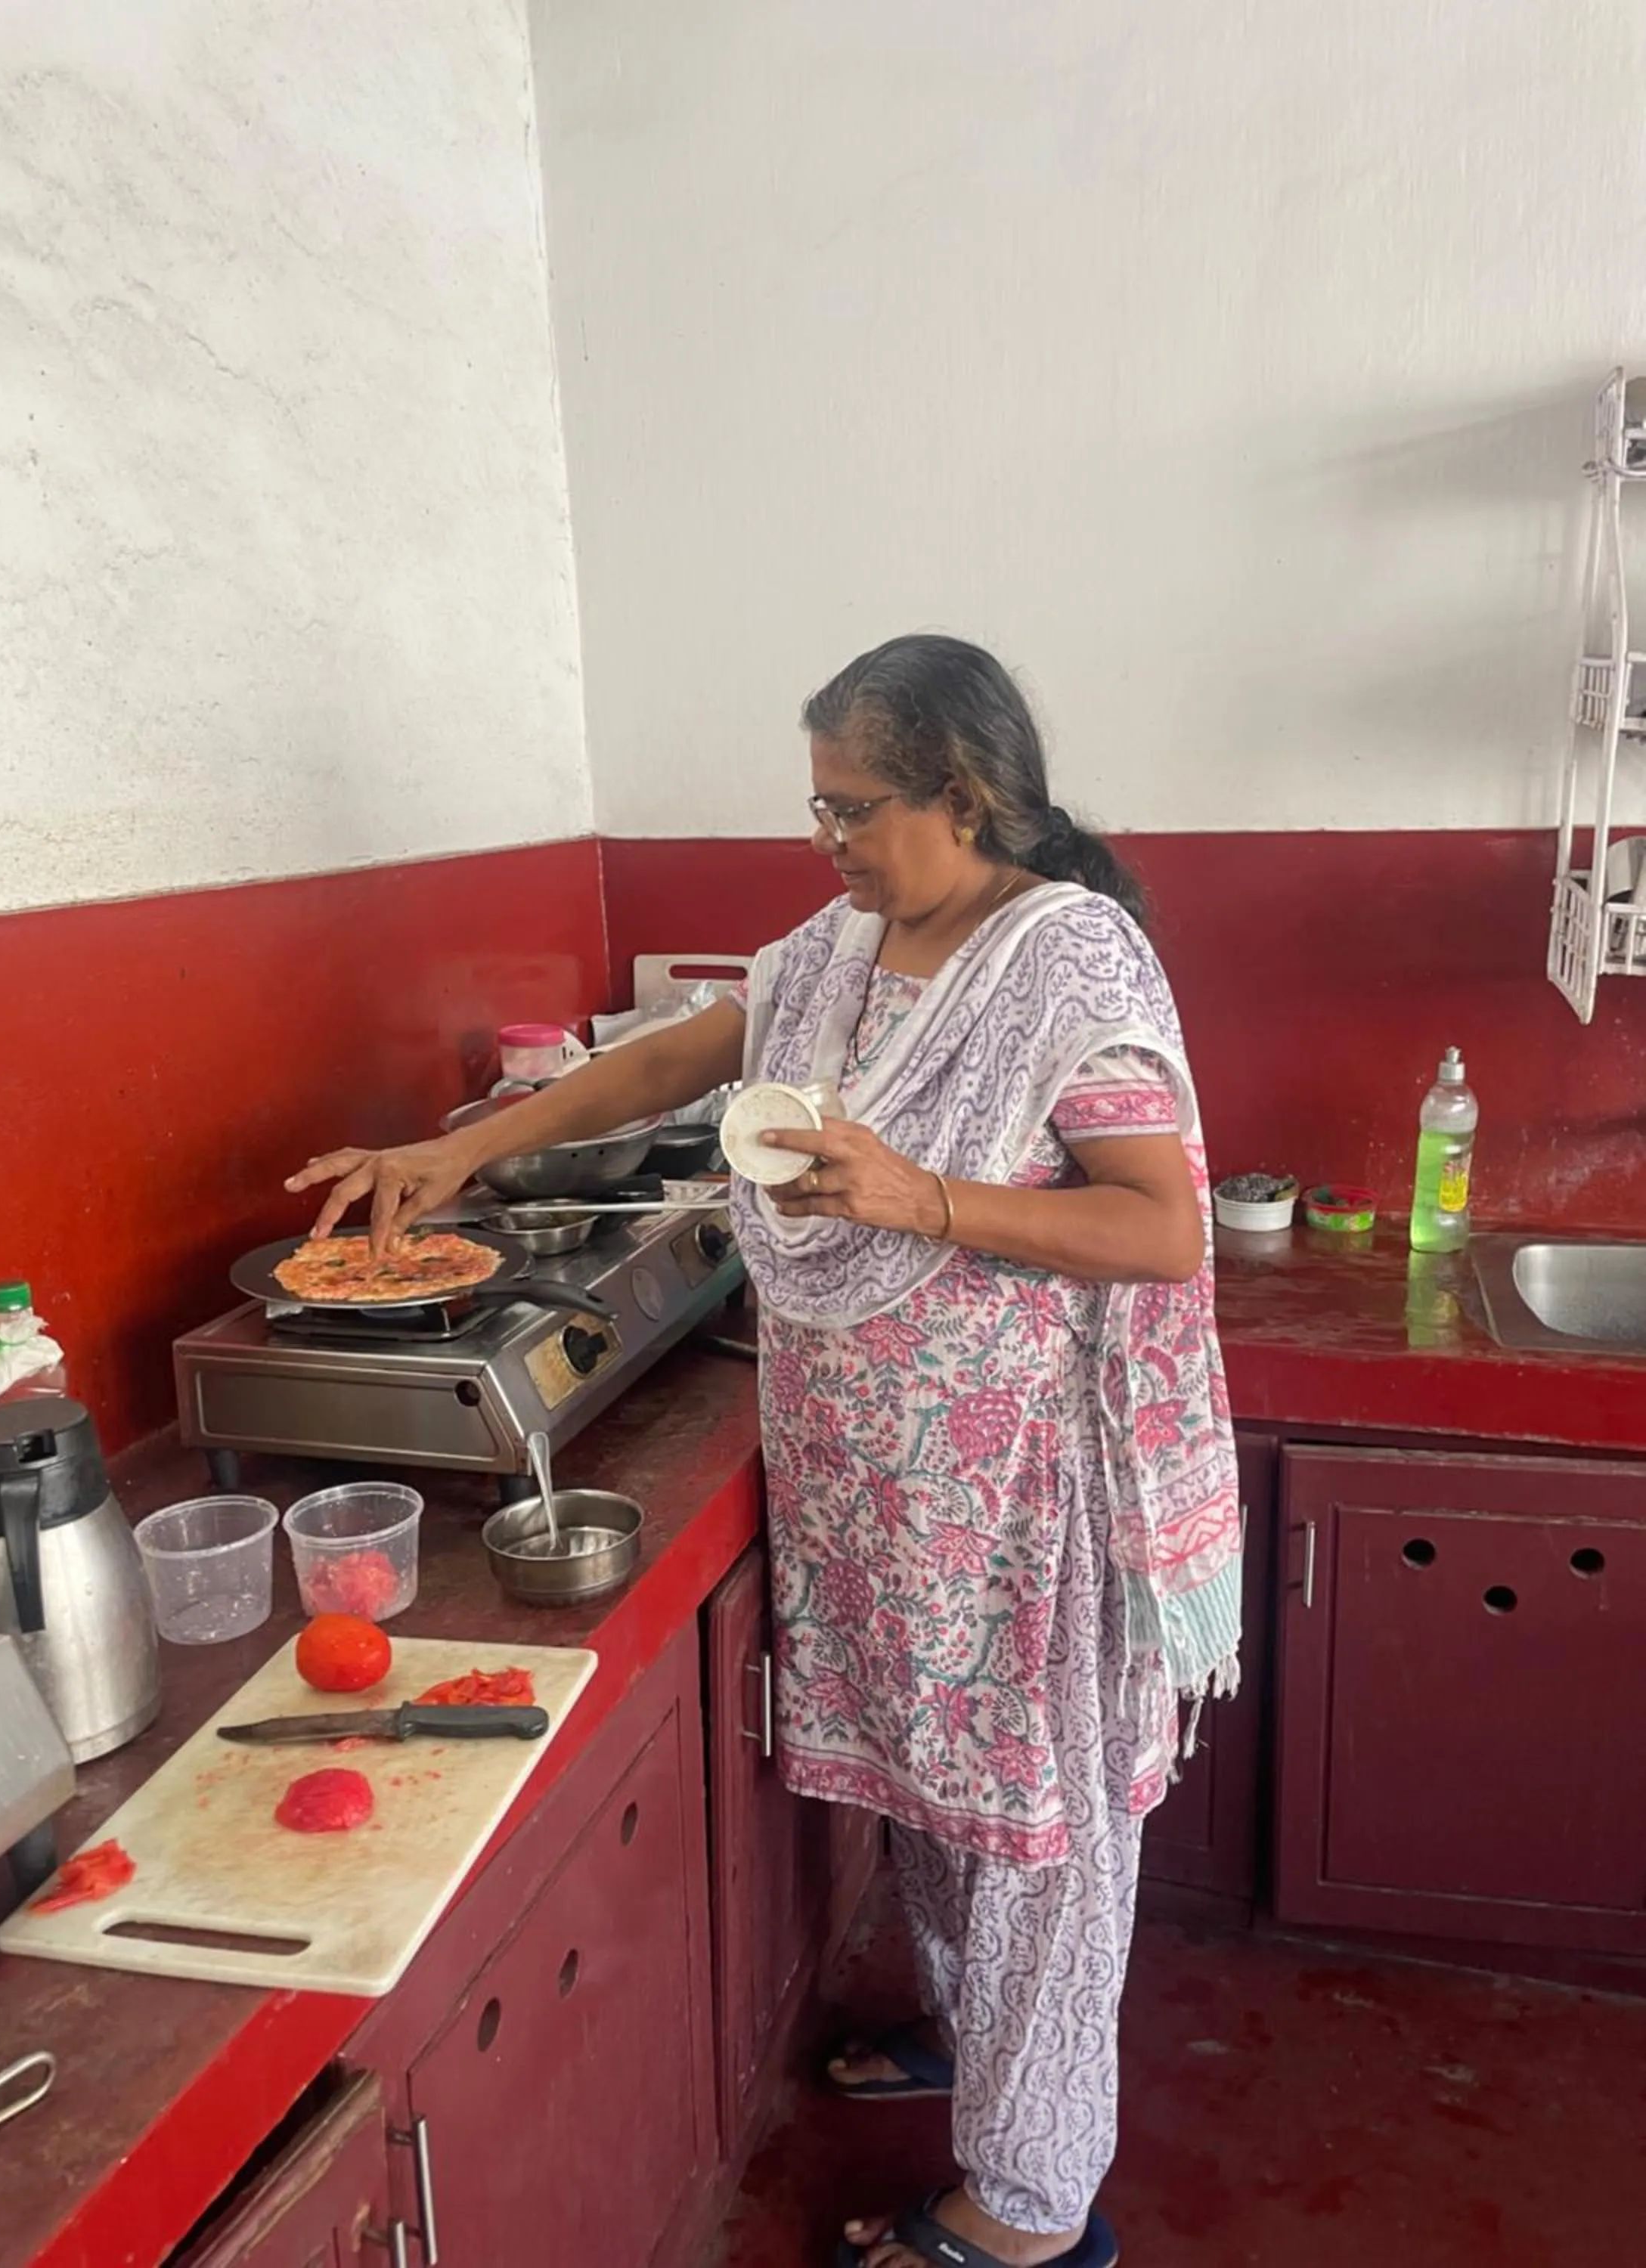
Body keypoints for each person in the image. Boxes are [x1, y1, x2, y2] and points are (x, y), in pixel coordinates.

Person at [290, 634, 1241, 2268]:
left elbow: (1160, 1226)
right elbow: (689, 1051)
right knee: (944, 1813)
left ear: (964, 794)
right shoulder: (851, 939)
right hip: (879, 1489)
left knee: (1029, 1831)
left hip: (1015, 1498)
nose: (828, 840)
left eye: (852, 806)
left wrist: (918, 1199)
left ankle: (1027, 2206)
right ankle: (977, 2045)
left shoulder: (1069, 962)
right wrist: (463, 1151)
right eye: (816, 805)